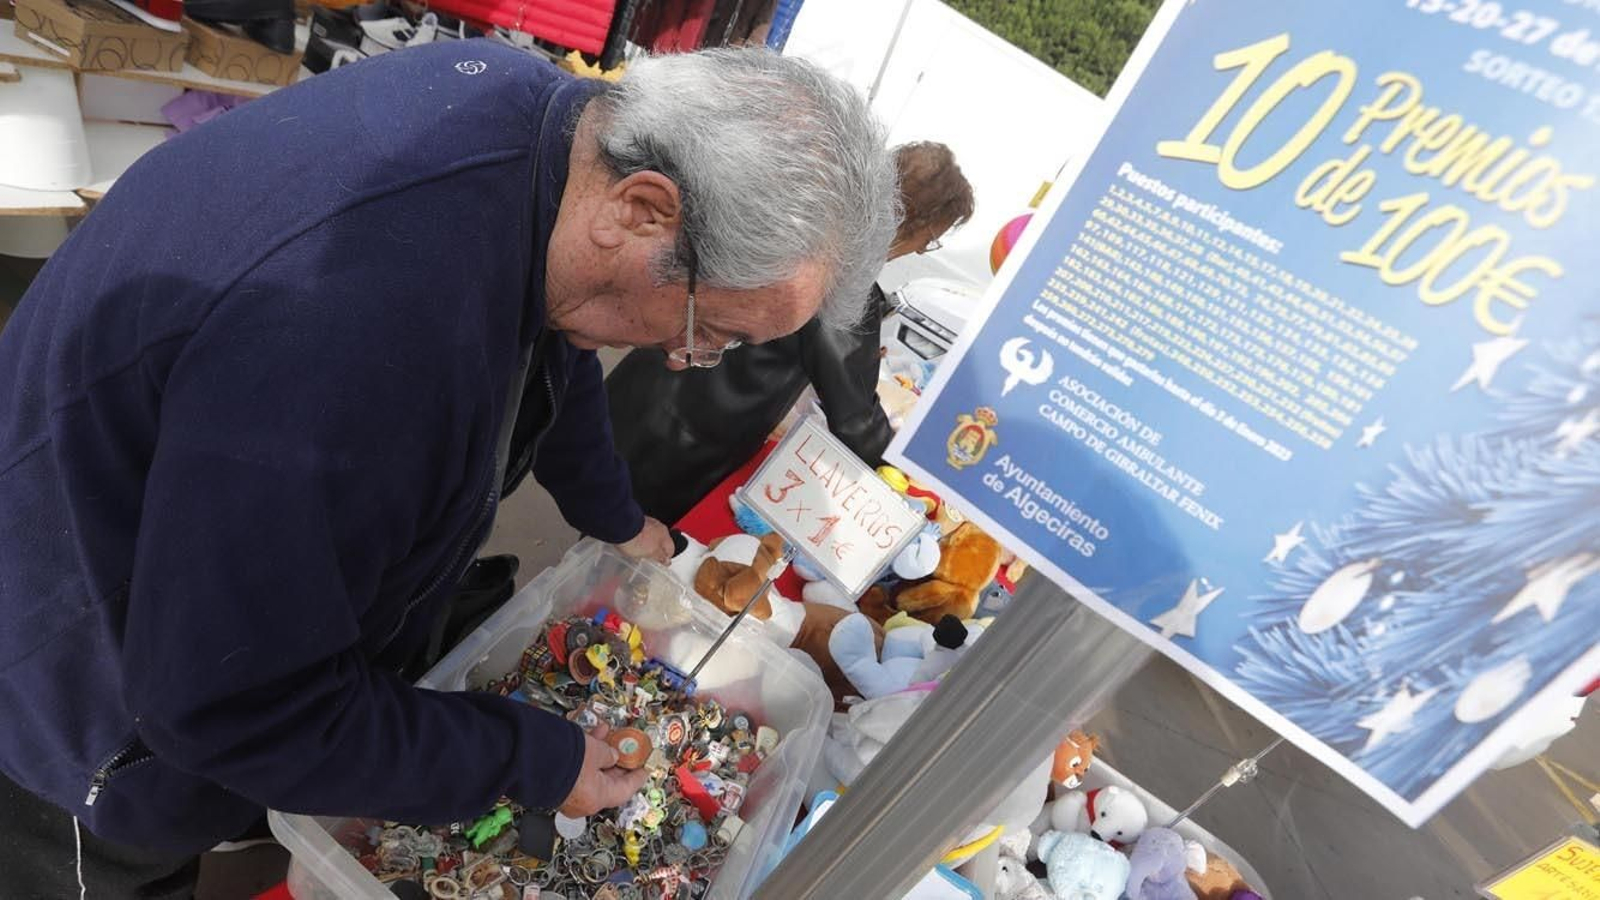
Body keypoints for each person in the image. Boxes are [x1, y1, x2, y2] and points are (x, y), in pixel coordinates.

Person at [0, 40, 897, 897]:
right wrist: (534, 760)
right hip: (77, 700)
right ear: (644, 208)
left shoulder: (540, 125)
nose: (682, 358)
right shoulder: (358, 346)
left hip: (176, 544)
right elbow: (230, 708)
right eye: (715, 332)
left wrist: (615, 517)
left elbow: (563, 335)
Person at [606, 141, 973, 524]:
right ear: (909, 220)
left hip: (639, 390)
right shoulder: (845, 282)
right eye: (929, 240)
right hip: (684, 443)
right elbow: (857, 423)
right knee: (618, 544)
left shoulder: (794, 213)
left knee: (599, 519)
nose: (918, 252)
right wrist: (923, 475)